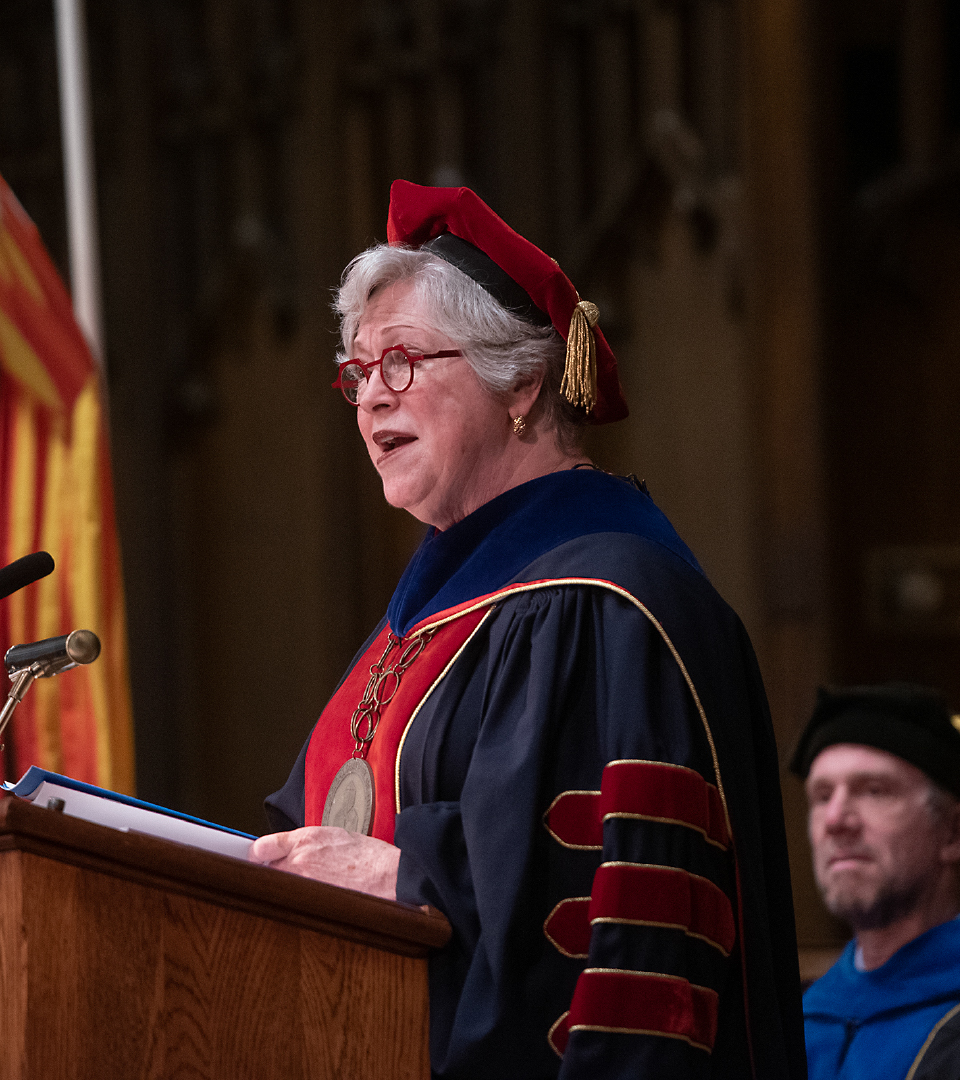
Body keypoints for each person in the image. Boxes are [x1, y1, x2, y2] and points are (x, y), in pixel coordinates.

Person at [252, 180, 806, 1079]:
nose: (369, 399)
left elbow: (620, 931)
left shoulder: (613, 603)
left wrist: (407, 878)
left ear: (522, 383)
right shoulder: (411, 634)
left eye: (400, 362)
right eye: (357, 373)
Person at [791, 683, 960, 1080]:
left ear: (952, 833)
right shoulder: (800, 1018)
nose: (835, 820)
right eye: (821, 795)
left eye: (874, 790)